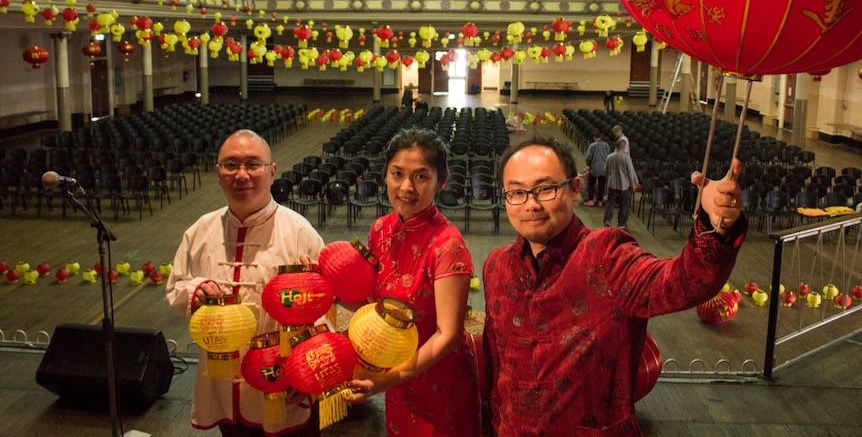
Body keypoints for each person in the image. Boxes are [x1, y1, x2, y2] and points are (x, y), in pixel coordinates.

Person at [483, 136, 747, 436]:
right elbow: (497, 362)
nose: (530, 204)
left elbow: (683, 282)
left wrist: (715, 226)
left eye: (545, 189)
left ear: (574, 189)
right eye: (516, 192)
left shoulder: (605, 255)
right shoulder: (496, 266)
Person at [166, 129, 326, 437]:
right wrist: (196, 291)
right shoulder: (201, 230)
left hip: (283, 384)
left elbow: (328, 309)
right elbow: (176, 285)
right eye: (231, 165)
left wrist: (307, 373)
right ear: (218, 173)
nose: (242, 175)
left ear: (271, 171)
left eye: (253, 164)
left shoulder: (299, 232)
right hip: (222, 385)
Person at [348, 128, 481, 437]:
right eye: (397, 174)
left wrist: (389, 379)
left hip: (440, 378)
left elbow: (448, 334)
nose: (406, 187)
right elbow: (372, 308)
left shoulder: (448, 245)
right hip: (399, 374)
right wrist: (324, 286)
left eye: (421, 176)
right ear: (385, 175)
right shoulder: (380, 230)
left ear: (442, 180)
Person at [603, 138, 639, 229]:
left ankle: (607, 220)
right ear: (624, 147)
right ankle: (621, 223)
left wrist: (608, 179)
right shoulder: (626, 158)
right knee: (624, 204)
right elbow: (630, 172)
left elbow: (605, 171)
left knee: (610, 203)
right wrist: (633, 184)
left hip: (612, 184)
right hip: (624, 185)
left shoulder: (610, 157)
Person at [583, 131, 610, 206]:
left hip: (594, 168)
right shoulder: (606, 145)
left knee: (591, 183)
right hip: (604, 169)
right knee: (602, 184)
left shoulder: (592, 145)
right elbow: (609, 156)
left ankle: (591, 200)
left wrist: (588, 165)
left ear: (594, 137)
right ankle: (600, 201)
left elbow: (588, 157)